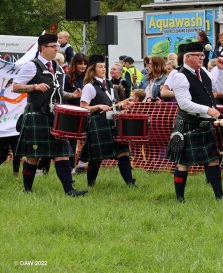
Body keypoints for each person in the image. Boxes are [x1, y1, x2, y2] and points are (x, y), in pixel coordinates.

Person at [11, 34, 87, 196]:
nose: (56, 49)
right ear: (43, 48)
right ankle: (28, 190)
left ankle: (70, 190)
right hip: (37, 115)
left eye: (57, 46)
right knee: (34, 156)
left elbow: (59, 92)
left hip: (55, 117)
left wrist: (71, 95)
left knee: (62, 153)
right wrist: (34, 87)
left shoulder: (57, 67)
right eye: (54, 46)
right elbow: (16, 87)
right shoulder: (32, 66)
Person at [165, 42, 223, 202]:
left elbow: (218, 88)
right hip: (189, 124)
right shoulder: (180, 76)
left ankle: (219, 196)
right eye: (198, 56)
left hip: (204, 124)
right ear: (188, 57)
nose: (202, 58)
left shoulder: (204, 71)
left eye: (202, 55)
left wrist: (221, 70)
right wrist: (208, 110)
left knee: (212, 159)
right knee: (184, 163)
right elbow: (184, 103)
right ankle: (180, 198)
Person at [78, 55, 137, 188]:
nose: (103, 69)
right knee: (96, 158)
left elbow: (113, 105)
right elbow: (83, 107)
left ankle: (130, 184)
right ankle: (90, 185)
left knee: (123, 153)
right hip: (98, 123)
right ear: (92, 70)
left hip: (113, 123)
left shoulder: (111, 86)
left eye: (104, 67)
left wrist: (122, 107)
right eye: (100, 67)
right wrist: (97, 106)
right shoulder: (89, 87)